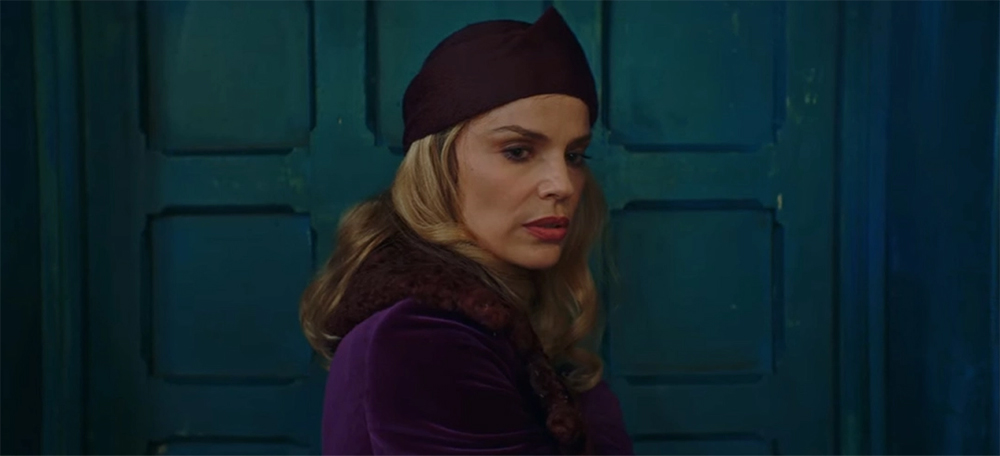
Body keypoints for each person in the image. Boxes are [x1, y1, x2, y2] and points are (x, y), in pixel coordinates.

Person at [299, 7, 633, 455]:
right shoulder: (421, 339)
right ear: (438, 168)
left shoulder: (487, 320)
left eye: (574, 156)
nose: (562, 185)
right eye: (518, 151)